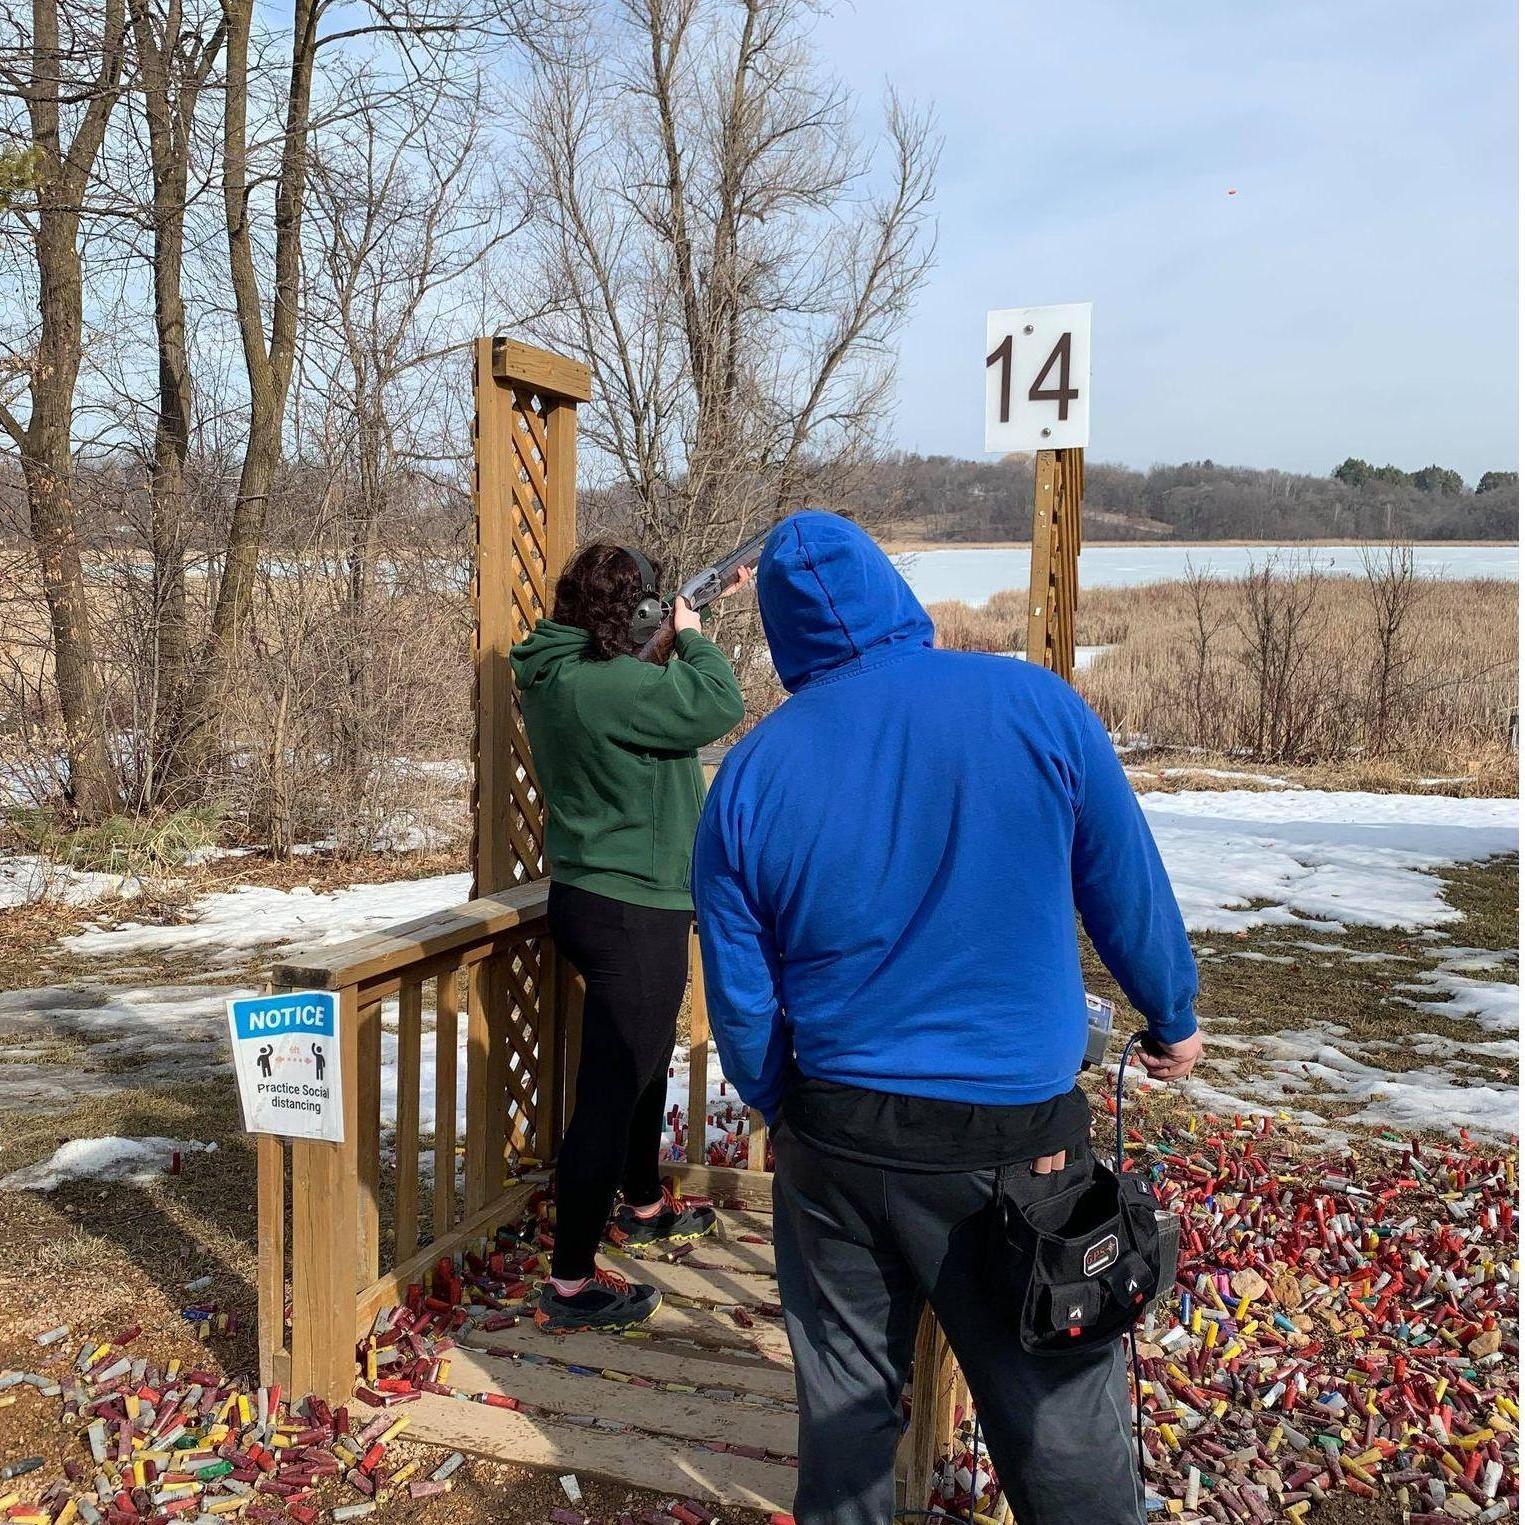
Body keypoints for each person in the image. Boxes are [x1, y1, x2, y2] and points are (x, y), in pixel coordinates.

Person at [691, 512, 1202, 1525]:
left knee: (844, 1417)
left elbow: (739, 994)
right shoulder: (1033, 706)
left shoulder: (750, 773)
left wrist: (775, 1101)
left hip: (836, 1137)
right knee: (1056, 1417)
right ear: (895, 595)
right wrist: (1170, 1012)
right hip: (1015, 1142)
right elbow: (1124, 887)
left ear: (785, 633)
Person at [511, 542, 749, 1333]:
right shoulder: (608, 684)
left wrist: (674, 628)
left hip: (592, 893)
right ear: (638, 613)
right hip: (632, 907)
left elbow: (648, 695)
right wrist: (695, 634)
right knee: (609, 1097)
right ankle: (572, 1282)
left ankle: (643, 1202)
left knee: (640, 1068)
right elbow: (718, 701)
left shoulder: (562, 671)